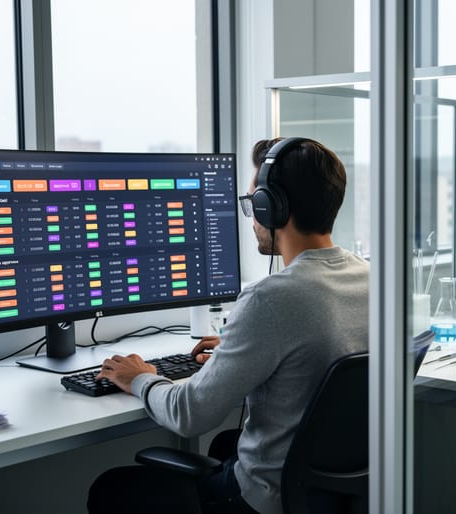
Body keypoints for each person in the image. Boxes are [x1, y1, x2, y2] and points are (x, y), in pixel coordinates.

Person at [87, 137, 369, 514]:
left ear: (272, 208)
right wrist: (242, 347)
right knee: (224, 445)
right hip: (332, 491)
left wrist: (139, 376)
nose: (252, 217)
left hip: (266, 500)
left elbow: (189, 415)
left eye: (254, 203)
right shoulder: (371, 279)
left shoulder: (270, 299)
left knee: (110, 490)